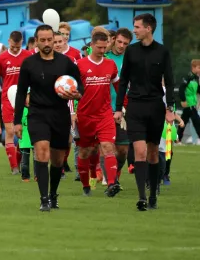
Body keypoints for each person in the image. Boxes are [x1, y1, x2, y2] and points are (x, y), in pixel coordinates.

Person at [13, 24, 83, 212]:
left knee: (58, 160)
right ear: (36, 41)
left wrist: (77, 94)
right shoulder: (29, 63)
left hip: (60, 114)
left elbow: (80, 85)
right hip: (37, 114)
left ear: (54, 40)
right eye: (42, 40)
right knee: (42, 151)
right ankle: (44, 199)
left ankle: (53, 194)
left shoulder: (66, 62)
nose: (46, 43)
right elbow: (20, 93)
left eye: (49, 39)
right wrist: (17, 121)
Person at [114, 13, 175, 211]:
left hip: (156, 106)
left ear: (148, 28)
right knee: (139, 152)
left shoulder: (163, 52)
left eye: (137, 27)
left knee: (153, 152)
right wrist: (118, 109)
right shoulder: (131, 52)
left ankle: (153, 192)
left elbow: (170, 80)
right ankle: (141, 197)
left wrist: (170, 108)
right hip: (135, 107)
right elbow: (123, 81)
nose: (134, 30)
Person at [75, 32, 121, 197]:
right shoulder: (79, 65)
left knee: (108, 147)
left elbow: (118, 86)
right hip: (85, 116)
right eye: (99, 47)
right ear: (91, 46)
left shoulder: (110, 65)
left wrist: (122, 107)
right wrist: (72, 112)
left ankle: (111, 184)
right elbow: (70, 89)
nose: (102, 50)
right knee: (86, 152)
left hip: (104, 114)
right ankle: (86, 185)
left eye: (104, 47)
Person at [0, 31, 31, 174]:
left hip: (25, 99)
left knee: (23, 133)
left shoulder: (28, 56)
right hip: (7, 99)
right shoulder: (2, 58)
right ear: (8, 42)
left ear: (22, 43)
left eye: (17, 47)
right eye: (12, 46)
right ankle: (14, 167)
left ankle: (18, 160)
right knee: (10, 131)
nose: (14, 49)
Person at [106, 28, 132, 180]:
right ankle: (104, 175)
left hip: (124, 108)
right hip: (104, 108)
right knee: (104, 146)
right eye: (120, 41)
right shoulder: (104, 56)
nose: (122, 46)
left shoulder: (131, 59)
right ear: (114, 39)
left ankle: (115, 173)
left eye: (125, 43)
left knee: (122, 149)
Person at [178, 60, 200, 142]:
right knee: (197, 121)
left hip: (192, 103)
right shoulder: (188, 77)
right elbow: (181, 89)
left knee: (183, 121)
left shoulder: (196, 78)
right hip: (188, 103)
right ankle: (178, 139)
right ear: (193, 67)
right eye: (199, 68)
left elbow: (197, 89)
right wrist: (183, 100)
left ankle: (177, 139)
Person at [19, 89, 32, 181]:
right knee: (25, 160)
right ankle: (25, 176)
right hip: (25, 139)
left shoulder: (36, 109)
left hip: (36, 138)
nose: (28, 99)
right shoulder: (21, 110)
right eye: (27, 96)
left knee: (38, 158)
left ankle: (38, 175)